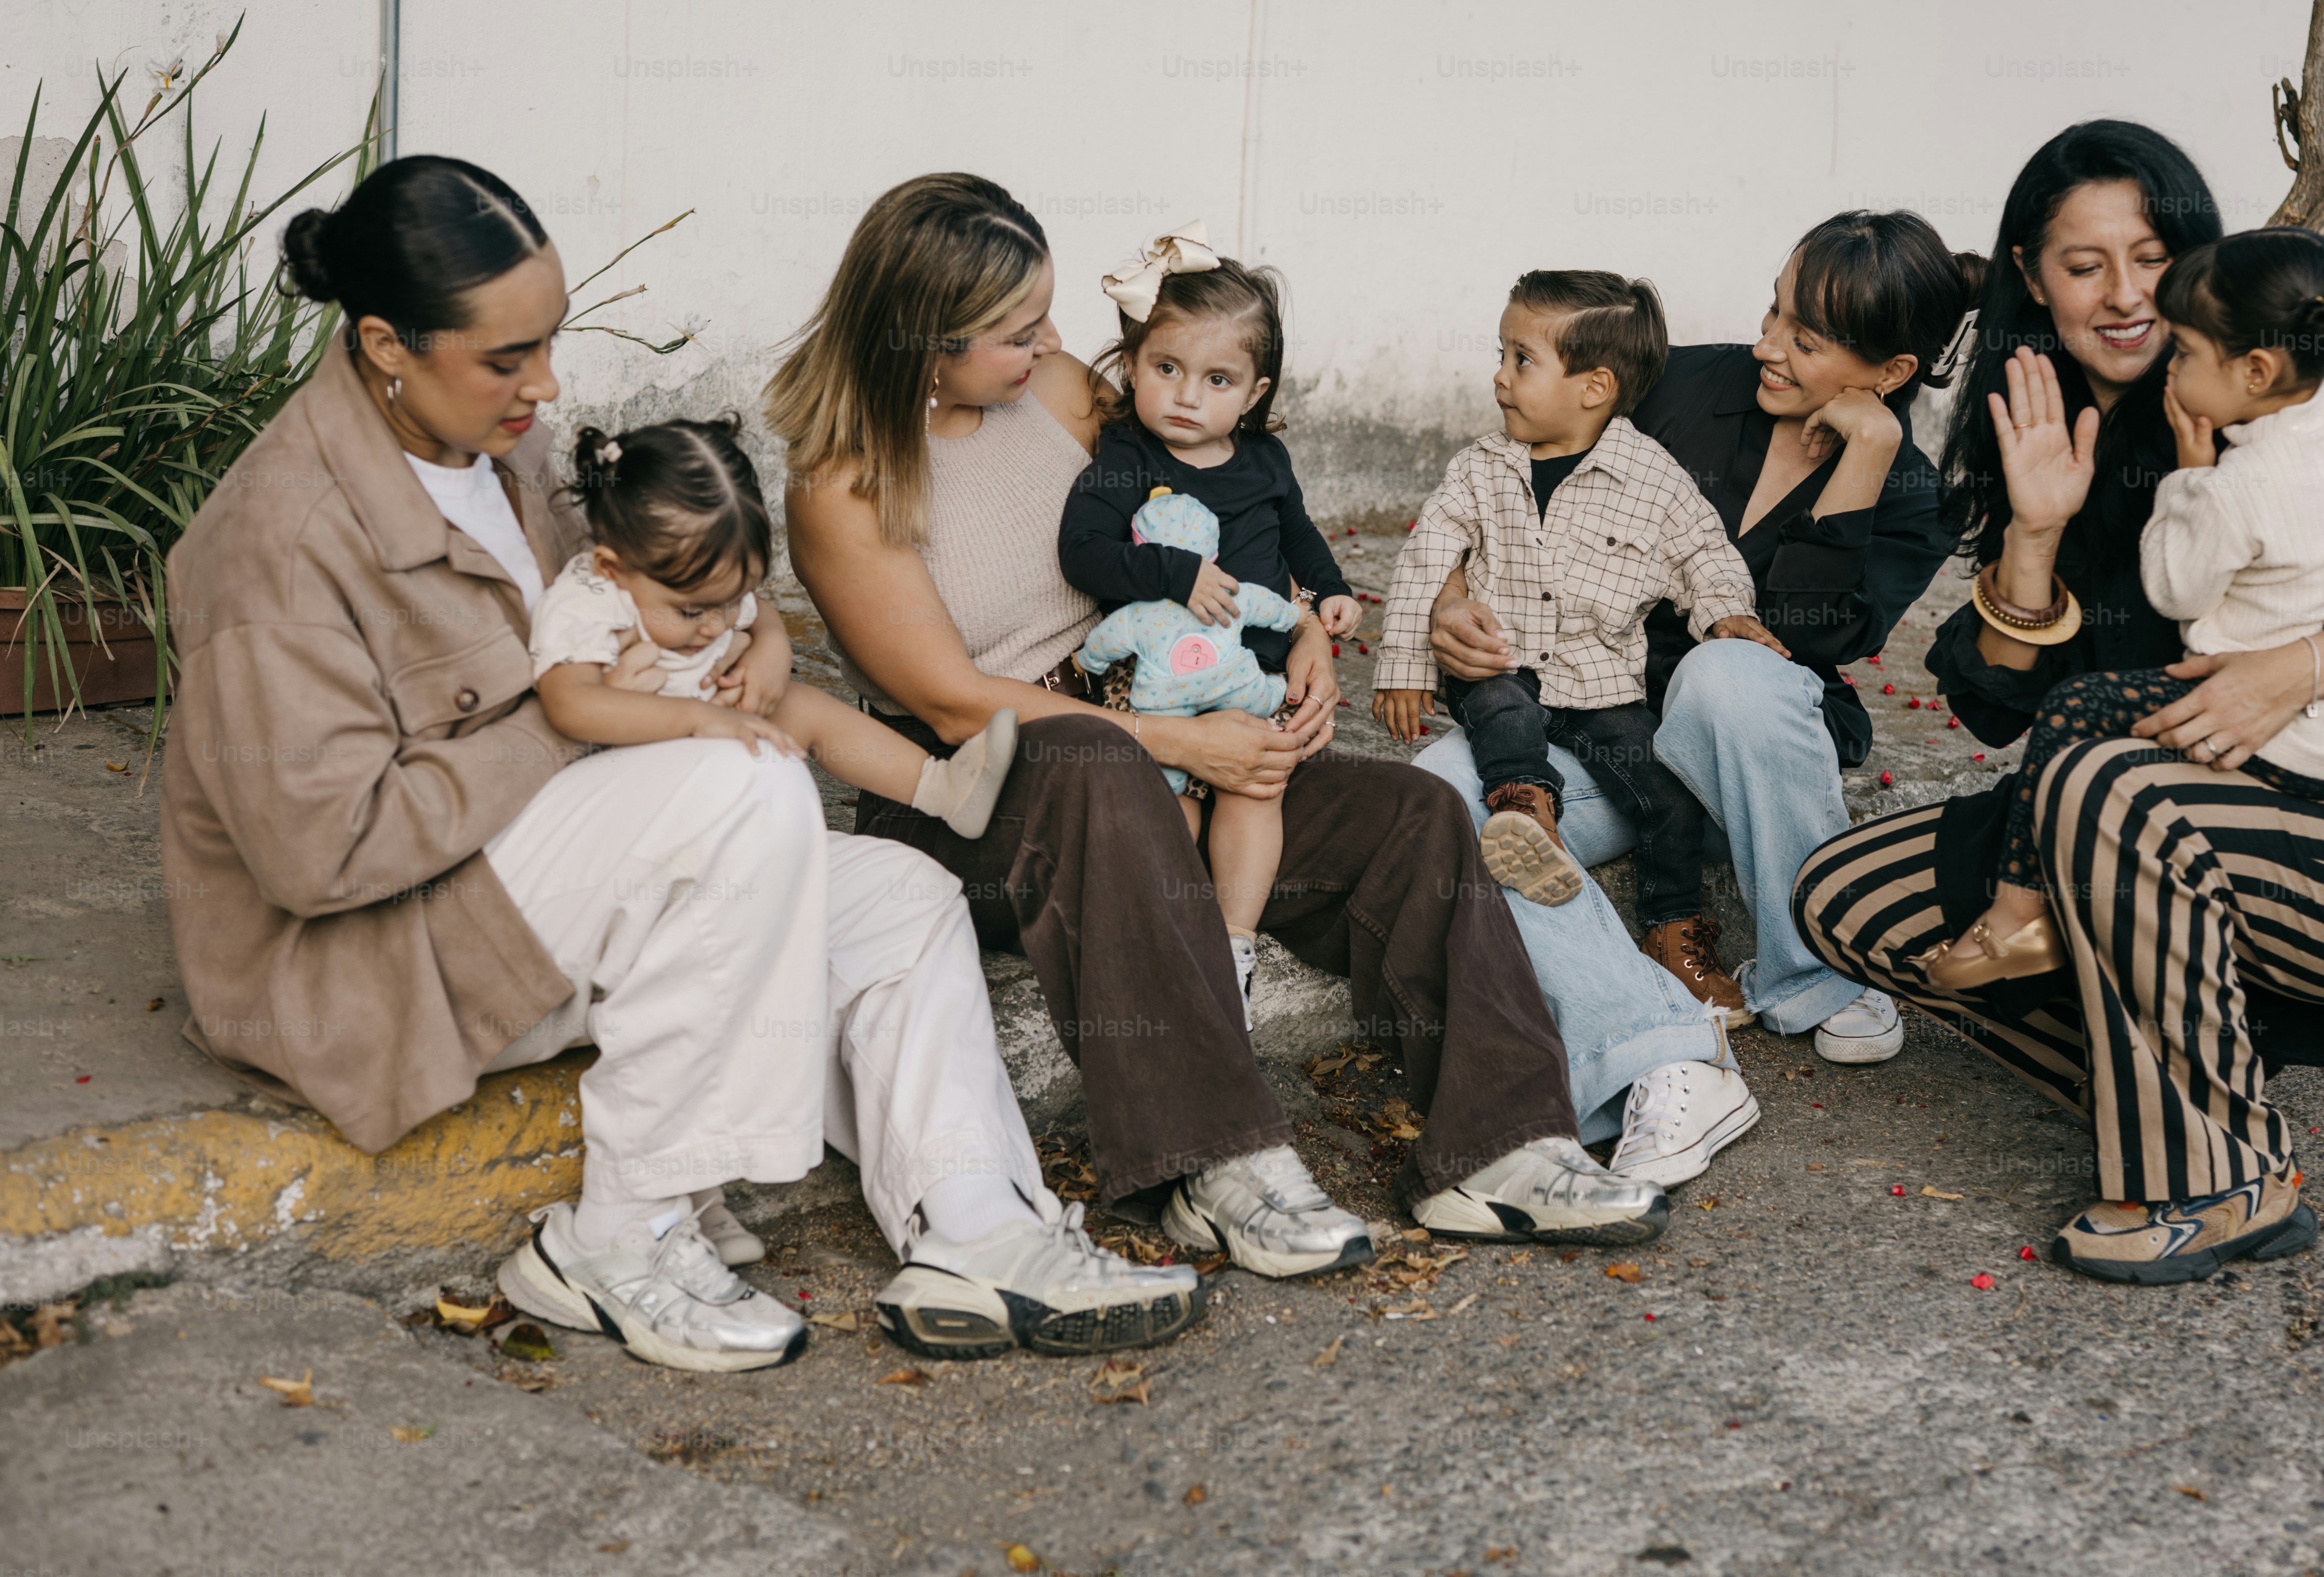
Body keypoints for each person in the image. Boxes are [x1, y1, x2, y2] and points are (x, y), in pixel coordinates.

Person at [163, 156, 1201, 1375]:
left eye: (548, 344)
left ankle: (974, 1224)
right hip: (384, 953)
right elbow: (318, 851)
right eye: (507, 358)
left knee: (898, 900)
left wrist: (751, 640)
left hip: (560, 883)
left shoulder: (505, 449)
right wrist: (586, 715)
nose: (544, 387)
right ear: (387, 344)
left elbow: (644, 583)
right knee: (740, 783)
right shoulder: (279, 544)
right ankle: (620, 1230)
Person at [771, 174, 1667, 1282]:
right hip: (980, 789)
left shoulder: (1049, 391)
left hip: (1159, 716)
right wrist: (1175, 746)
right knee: (1096, 763)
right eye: (1013, 331)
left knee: (1411, 809)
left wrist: (1294, 625)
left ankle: (1499, 1144)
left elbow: (1215, 492)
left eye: (1045, 312)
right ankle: (1217, 1161)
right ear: (922, 343)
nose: (1053, 343)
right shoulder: (842, 483)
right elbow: (954, 698)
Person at [1790, 120, 2324, 1285]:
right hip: (2131, 841)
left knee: (2098, 777)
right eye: (2084, 265)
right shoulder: (2038, 432)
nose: (2124, 296)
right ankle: (2182, 1080)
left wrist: (2299, 665)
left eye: (2149, 259)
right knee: (1844, 896)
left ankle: (2217, 1169)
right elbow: (1991, 708)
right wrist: (2032, 530)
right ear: (2030, 275)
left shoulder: (2286, 428)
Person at [1405, 212, 1970, 1187]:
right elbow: (1507, 492)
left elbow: (1808, 637)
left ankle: (1814, 964)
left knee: (1725, 670)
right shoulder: (1684, 386)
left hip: (1737, 757)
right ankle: (1665, 1049)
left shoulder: (1914, 491)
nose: (1766, 346)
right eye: (1773, 311)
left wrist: (1866, 462)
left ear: (1891, 371)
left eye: (1805, 339)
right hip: (1592, 716)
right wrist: (1450, 599)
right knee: (1436, 798)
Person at [1937, 227, 2324, 1003]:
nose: (2169, 368)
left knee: (2079, 710)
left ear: (2253, 370)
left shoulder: (2238, 485)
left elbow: (2175, 589)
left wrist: (2190, 480)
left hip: (2271, 743)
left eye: (2184, 353)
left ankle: (2018, 913)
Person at [1375, 270, 1764, 995]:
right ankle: (1526, 810)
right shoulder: (1481, 469)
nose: (1499, 377)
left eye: (1521, 359)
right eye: (1502, 353)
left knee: (1666, 795)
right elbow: (1429, 555)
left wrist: (1724, 613)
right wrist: (1403, 662)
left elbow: (1703, 552)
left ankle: (1673, 932)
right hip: (1503, 661)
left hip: (1600, 680)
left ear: (1594, 387)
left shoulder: (1653, 479)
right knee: (1503, 711)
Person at [1057, 227, 1361, 1019]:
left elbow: (1297, 533)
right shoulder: (1127, 456)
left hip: (1248, 679)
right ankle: (1170, 933)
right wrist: (1174, 572)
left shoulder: (1265, 463)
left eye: (1218, 378)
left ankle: (1234, 944)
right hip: (1162, 685)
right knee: (1173, 808)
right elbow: (1081, 551)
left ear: (1255, 393)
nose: (1187, 396)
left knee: (1257, 786)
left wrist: (1325, 593)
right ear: (1132, 365)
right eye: (1167, 369)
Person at [530, 415, 1018, 851]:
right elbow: (570, 704)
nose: (718, 624)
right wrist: (698, 720)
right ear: (612, 568)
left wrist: (770, 646)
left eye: (730, 600)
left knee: (802, 704)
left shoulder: (701, 588)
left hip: (717, 749)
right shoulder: (588, 601)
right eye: (693, 611)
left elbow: (756, 611)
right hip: (629, 784)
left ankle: (943, 790)